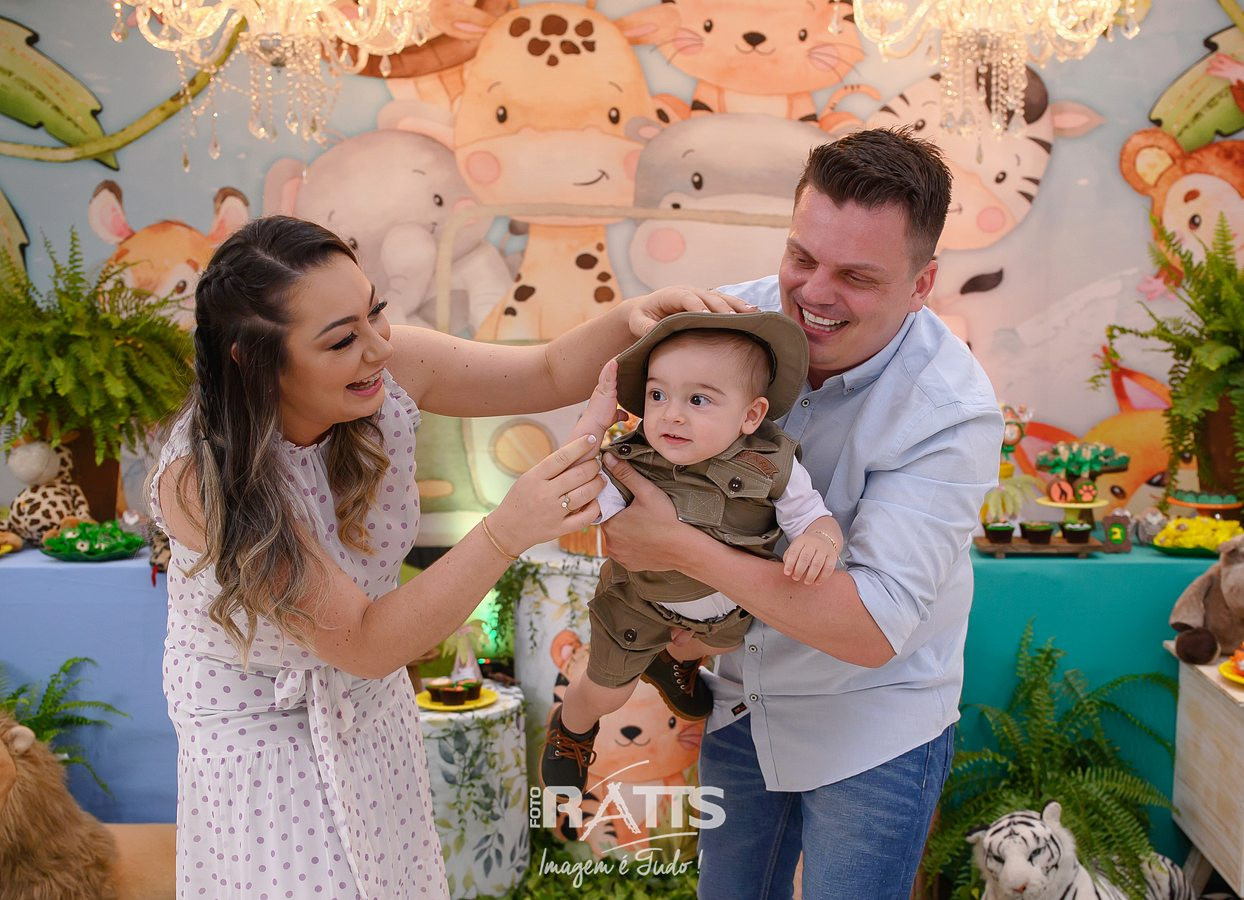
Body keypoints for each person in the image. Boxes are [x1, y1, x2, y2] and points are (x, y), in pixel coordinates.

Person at [149, 215, 747, 899]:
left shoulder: (391, 364)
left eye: (376, 311)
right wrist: (506, 531)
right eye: (342, 340)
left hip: (368, 708)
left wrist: (633, 317)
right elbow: (365, 642)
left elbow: (547, 371)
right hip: (261, 735)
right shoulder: (204, 482)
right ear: (253, 360)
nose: (378, 347)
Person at [600, 127, 1005, 898]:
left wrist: (679, 547)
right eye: (802, 257)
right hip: (743, 703)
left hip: (872, 726)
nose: (815, 293)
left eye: (856, 276)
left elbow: (873, 626)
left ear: (921, 284)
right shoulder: (733, 321)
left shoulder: (950, 412)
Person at [539, 312, 844, 795]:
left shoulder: (772, 464)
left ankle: (672, 661)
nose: (672, 415)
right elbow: (575, 493)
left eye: (698, 400)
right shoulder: (633, 463)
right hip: (639, 604)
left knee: (726, 645)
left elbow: (814, 517)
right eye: (657, 395)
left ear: (751, 416)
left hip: (727, 608)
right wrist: (592, 427)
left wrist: (819, 541)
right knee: (608, 691)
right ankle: (572, 727)